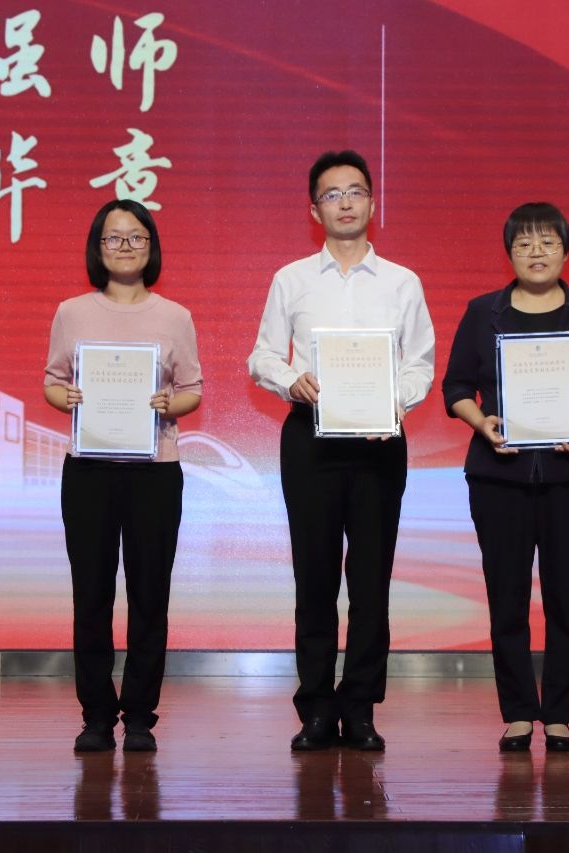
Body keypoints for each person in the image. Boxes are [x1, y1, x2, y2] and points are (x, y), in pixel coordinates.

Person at [247, 150, 435, 752]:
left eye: (355, 191)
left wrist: (394, 402)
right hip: (311, 439)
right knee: (315, 576)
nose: (346, 203)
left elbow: (420, 363)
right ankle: (315, 709)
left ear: (372, 203)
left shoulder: (402, 282)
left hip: (379, 441)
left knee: (372, 580)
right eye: (332, 194)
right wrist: (290, 381)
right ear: (314, 210)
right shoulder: (292, 279)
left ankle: (360, 708)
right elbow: (262, 356)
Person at [442, 202, 569, 752]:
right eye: (524, 244)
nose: (536, 252)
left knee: (567, 600)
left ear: (566, 251)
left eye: (547, 242)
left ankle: (560, 714)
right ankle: (519, 712)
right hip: (499, 478)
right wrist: (482, 423)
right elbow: (456, 387)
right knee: (507, 600)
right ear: (509, 254)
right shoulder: (483, 313)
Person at [44, 199, 203, 753]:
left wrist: (168, 403)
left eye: (137, 237)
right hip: (88, 472)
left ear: (151, 246)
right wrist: (68, 397)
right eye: (114, 238)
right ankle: (95, 715)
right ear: (98, 248)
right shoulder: (71, 312)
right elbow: (51, 381)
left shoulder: (175, 316)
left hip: (154, 473)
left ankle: (139, 716)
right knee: (90, 596)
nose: (126, 247)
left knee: (149, 595)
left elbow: (192, 390)